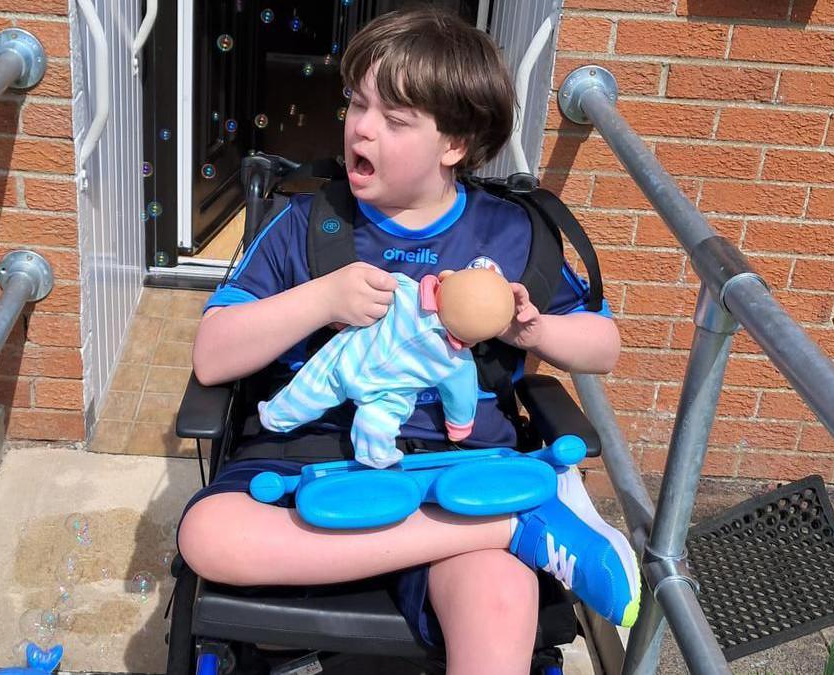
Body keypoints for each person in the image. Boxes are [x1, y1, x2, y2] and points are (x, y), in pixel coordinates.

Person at [178, 8, 639, 673]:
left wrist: (529, 326)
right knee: (208, 534)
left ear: (454, 144)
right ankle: (517, 522)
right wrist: (321, 299)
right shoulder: (307, 225)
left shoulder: (512, 235)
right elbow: (213, 355)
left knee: (502, 594)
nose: (361, 127)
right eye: (357, 104)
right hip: (314, 457)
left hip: (460, 463)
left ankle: (499, 526)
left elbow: (605, 346)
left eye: (394, 120)